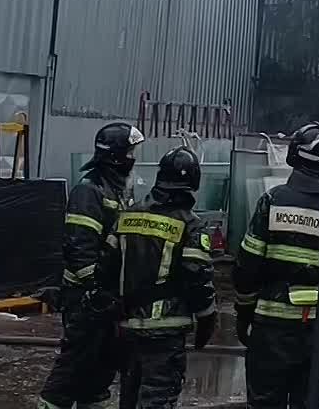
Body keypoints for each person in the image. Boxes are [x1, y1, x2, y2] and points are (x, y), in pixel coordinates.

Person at [232, 122, 319, 409]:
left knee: (264, 402)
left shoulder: (273, 202)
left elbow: (247, 267)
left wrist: (245, 312)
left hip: (272, 329)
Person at [37, 122, 143, 409]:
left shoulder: (118, 190)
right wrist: (94, 291)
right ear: (118, 157)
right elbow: (79, 248)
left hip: (105, 298)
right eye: (131, 152)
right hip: (86, 299)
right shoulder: (90, 191)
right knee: (72, 369)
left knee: (99, 373)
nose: (135, 158)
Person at [116, 145, 217, 409]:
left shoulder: (128, 216)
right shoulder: (191, 224)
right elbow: (197, 277)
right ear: (193, 181)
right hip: (165, 332)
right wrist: (207, 318)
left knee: (129, 396)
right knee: (157, 399)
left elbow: (107, 268)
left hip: (127, 328)